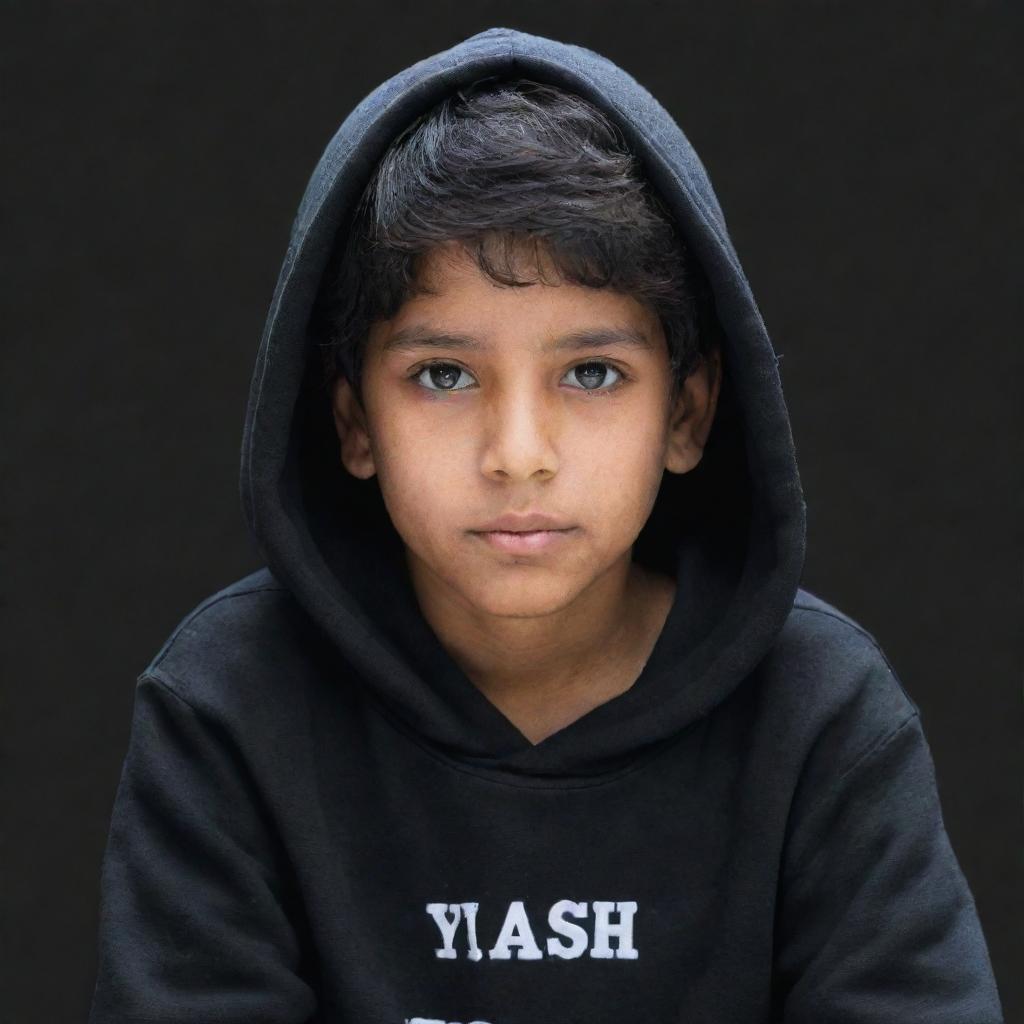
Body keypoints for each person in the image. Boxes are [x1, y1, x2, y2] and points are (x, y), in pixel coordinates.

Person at [87, 26, 1005, 1024]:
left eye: (592, 373)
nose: (518, 452)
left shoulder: (819, 717)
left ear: (687, 414)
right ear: (354, 421)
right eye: (443, 375)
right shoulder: (229, 707)